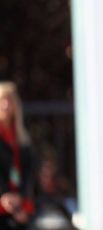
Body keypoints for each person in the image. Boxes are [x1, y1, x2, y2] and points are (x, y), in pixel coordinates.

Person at [0, 81, 35, 229]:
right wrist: (4, 194)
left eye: (10, 100)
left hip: (20, 202)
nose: (7, 105)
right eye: (2, 100)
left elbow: (29, 170)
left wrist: (21, 197)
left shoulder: (21, 136)